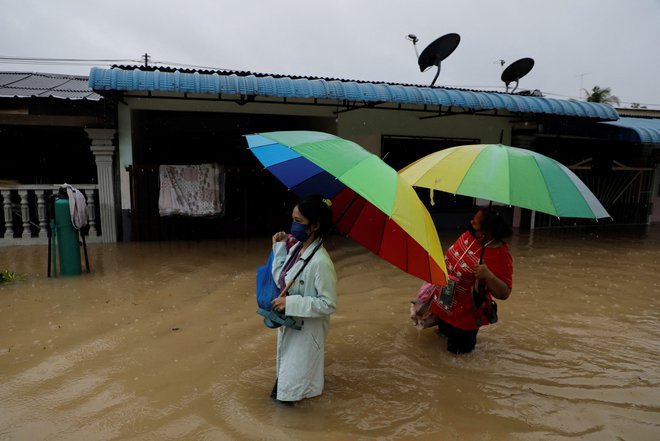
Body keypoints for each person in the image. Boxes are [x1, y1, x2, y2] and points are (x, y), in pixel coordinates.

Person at [415, 205, 513, 354]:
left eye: (476, 223)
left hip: (464, 320)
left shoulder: (500, 254)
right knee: (437, 349)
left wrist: (488, 275)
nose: (471, 224)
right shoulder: (469, 235)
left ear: (488, 231)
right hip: (443, 306)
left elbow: (504, 293)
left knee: (456, 361)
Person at [269, 194, 337, 403]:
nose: (293, 225)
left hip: (307, 333)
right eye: (293, 219)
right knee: (285, 387)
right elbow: (282, 279)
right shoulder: (297, 248)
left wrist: (290, 303)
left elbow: (328, 304)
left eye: (299, 222)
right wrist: (279, 248)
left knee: (288, 394)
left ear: (315, 225)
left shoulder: (321, 262)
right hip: (291, 327)